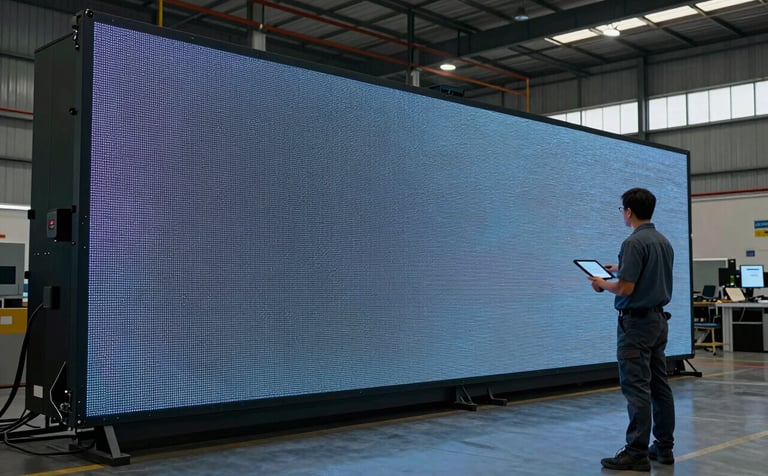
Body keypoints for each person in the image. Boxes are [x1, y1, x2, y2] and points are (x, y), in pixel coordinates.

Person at [587, 188, 676, 472]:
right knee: (659, 386)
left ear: (628, 211)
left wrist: (602, 282)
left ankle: (636, 451)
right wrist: (620, 268)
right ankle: (663, 448)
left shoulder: (633, 243)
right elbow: (645, 274)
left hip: (636, 325)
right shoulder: (663, 242)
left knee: (636, 388)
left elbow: (626, 288)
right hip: (658, 322)